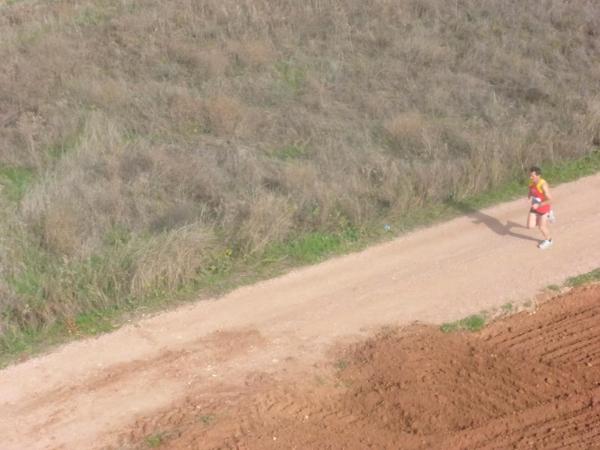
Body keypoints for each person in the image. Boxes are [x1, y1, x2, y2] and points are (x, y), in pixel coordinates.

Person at [527, 166, 555, 249]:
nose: (530, 177)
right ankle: (547, 216)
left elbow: (550, 200)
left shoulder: (543, 185)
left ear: (538, 176)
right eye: (530, 175)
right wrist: (529, 197)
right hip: (535, 207)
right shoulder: (531, 183)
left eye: (532, 176)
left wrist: (538, 205)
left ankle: (549, 240)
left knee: (541, 227)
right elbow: (530, 192)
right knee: (530, 226)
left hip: (543, 207)